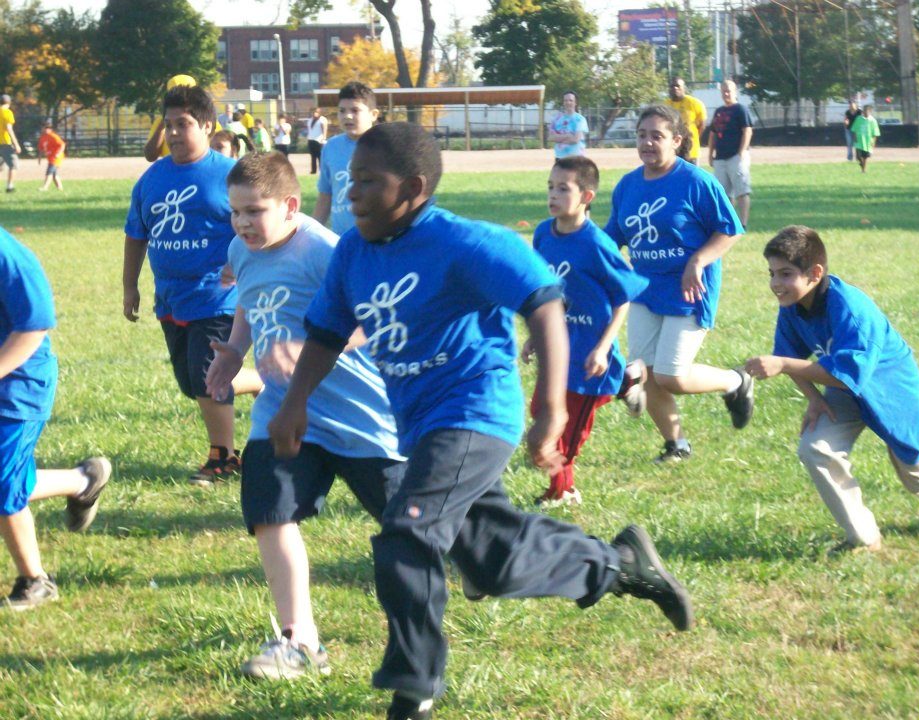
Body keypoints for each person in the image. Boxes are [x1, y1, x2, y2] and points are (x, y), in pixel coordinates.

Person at [270, 122, 693, 720]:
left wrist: (549, 407)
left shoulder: (461, 242)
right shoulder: (353, 254)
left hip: (474, 411)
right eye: (349, 181)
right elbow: (326, 331)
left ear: (413, 188)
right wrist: (294, 404)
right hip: (420, 427)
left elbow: (543, 300)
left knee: (407, 531)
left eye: (369, 182)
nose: (352, 193)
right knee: (490, 559)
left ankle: (413, 687)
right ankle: (620, 564)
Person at [205, 151, 406, 679]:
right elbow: (250, 300)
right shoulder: (241, 248)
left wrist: (309, 348)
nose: (243, 223)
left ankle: (490, 558)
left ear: (291, 206)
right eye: (236, 212)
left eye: (255, 210)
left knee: (417, 527)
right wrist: (233, 350)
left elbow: (374, 321)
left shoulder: (325, 251)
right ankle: (301, 641)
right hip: (283, 412)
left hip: (357, 418)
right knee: (270, 509)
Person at [744, 225, 919, 552]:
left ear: (815, 273)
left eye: (785, 274)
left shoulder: (849, 308)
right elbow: (786, 354)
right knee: (816, 448)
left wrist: (784, 366)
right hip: (844, 391)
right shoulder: (792, 306)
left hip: (891, 392)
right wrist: (814, 399)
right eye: (771, 273)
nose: (776, 283)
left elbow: (834, 372)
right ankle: (863, 538)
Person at [123, 85, 262, 485]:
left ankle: (224, 456)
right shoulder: (152, 178)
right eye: (168, 125)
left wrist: (243, 261)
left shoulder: (230, 175)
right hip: (171, 297)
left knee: (205, 374)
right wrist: (129, 286)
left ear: (206, 125)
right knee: (192, 382)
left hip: (218, 296)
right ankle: (260, 380)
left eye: (183, 124)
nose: (174, 133)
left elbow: (259, 223)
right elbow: (136, 234)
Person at [604, 105, 753, 464]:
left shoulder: (695, 181)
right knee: (652, 375)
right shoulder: (627, 185)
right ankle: (676, 445)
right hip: (644, 291)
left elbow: (730, 229)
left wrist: (698, 260)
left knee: (671, 375)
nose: (647, 142)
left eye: (657, 135)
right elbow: (612, 237)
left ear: (677, 141)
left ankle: (736, 382)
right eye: (642, 135)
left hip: (689, 291)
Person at [0, 225, 111, 610]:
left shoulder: (10, 258)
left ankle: (35, 581)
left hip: (17, 387)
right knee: (7, 481)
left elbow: (34, 327)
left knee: (2, 483)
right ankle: (83, 480)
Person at [525, 156, 646, 507]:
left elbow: (623, 298)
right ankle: (628, 381)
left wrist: (602, 349)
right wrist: (536, 334)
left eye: (564, 188)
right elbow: (546, 293)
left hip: (591, 356)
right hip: (558, 348)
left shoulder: (596, 244)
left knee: (565, 435)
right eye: (551, 186)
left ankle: (563, 491)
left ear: (586, 196)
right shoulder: (543, 235)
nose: (554, 194)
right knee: (542, 414)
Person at [313, 81, 379, 236]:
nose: (347, 116)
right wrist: (311, 233)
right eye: (342, 111)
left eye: (355, 110)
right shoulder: (331, 147)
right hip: (341, 239)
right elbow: (325, 195)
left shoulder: (384, 146)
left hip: (376, 239)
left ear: (373, 114)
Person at [706, 80, 753, 227]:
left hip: (736, 157)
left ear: (735, 92)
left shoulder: (740, 109)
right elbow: (713, 134)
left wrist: (741, 152)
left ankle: (743, 223)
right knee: (723, 194)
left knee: (741, 191)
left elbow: (747, 130)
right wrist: (710, 154)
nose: (726, 93)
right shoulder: (719, 111)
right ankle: (729, 222)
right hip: (720, 158)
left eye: (729, 91)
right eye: (723, 91)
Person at [144, 74, 203, 163]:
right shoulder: (161, 122)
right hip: (172, 173)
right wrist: (164, 125)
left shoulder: (206, 120)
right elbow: (150, 156)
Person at [665, 77, 707, 166]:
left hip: (691, 151)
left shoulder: (695, 103)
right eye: (672, 86)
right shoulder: (665, 105)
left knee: (691, 177)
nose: (675, 88)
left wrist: (693, 138)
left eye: (677, 86)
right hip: (671, 151)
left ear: (684, 88)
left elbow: (702, 125)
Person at [548, 90, 589, 159]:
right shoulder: (557, 119)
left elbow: (576, 139)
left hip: (576, 157)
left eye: (571, 100)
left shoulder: (580, 119)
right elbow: (550, 137)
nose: (568, 102)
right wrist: (567, 136)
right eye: (565, 100)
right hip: (560, 157)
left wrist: (559, 138)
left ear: (575, 103)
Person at [37, 122, 66, 192]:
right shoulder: (42, 137)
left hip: (56, 157)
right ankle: (60, 188)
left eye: (48, 128)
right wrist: (39, 158)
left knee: (49, 171)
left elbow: (62, 145)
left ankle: (45, 187)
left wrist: (58, 153)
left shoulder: (53, 136)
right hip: (50, 158)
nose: (46, 130)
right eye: (45, 128)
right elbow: (41, 149)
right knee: (54, 174)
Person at [850, 105, 880, 173]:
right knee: (858, 156)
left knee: (865, 157)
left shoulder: (872, 121)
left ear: (870, 112)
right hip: (859, 140)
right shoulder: (858, 119)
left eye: (867, 111)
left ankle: (863, 170)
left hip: (868, 141)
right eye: (865, 111)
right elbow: (854, 129)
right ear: (863, 112)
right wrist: (855, 137)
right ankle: (862, 164)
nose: (866, 113)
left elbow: (875, 133)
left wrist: (873, 142)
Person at [0, 93, 21, 193]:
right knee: (13, 165)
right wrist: (16, 144)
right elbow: (9, 129)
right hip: (5, 143)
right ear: (9, 102)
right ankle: (10, 186)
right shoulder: (7, 112)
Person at [306, 107, 328, 174]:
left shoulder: (322, 119)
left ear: (319, 113)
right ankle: (313, 170)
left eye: (316, 112)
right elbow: (309, 129)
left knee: (320, 156)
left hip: (319, 140)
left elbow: (324, 128)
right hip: (311, 139)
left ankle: (322, 170)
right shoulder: (310, 120)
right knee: (313, 156)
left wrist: (324, 138)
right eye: (313, 112)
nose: (314, 113)